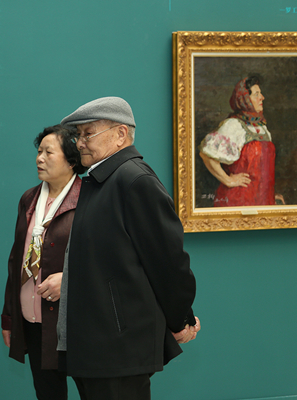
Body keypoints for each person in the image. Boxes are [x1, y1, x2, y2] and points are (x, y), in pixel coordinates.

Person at [56, 97, 200, 400]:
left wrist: (180, 318)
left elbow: (168, 262)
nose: (79, 143)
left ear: (120, 134)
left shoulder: (134, 180)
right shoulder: (100, 181)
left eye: (87, 134)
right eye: (78, 135)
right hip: (95, 347)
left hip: (117, 347)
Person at [2, 125, 86, 400]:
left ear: (71, 160)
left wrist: (70, 280)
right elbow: (16, 260)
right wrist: (9, 317)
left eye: (48, 152)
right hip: (33, 321)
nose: (39, 158)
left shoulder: (89, 199)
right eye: (39, 152)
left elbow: (104, 259)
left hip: (75, 321)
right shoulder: (29, 198)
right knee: (48, 394)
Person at [199, 76, 285, 206]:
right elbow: (206, 154)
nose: (262, 97)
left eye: (260, 93)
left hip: (262, 200)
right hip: (238, 199)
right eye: (257, 94)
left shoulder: (262, 128)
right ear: (245, 100)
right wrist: (228, 180)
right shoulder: (233, 126)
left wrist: (269, 193)